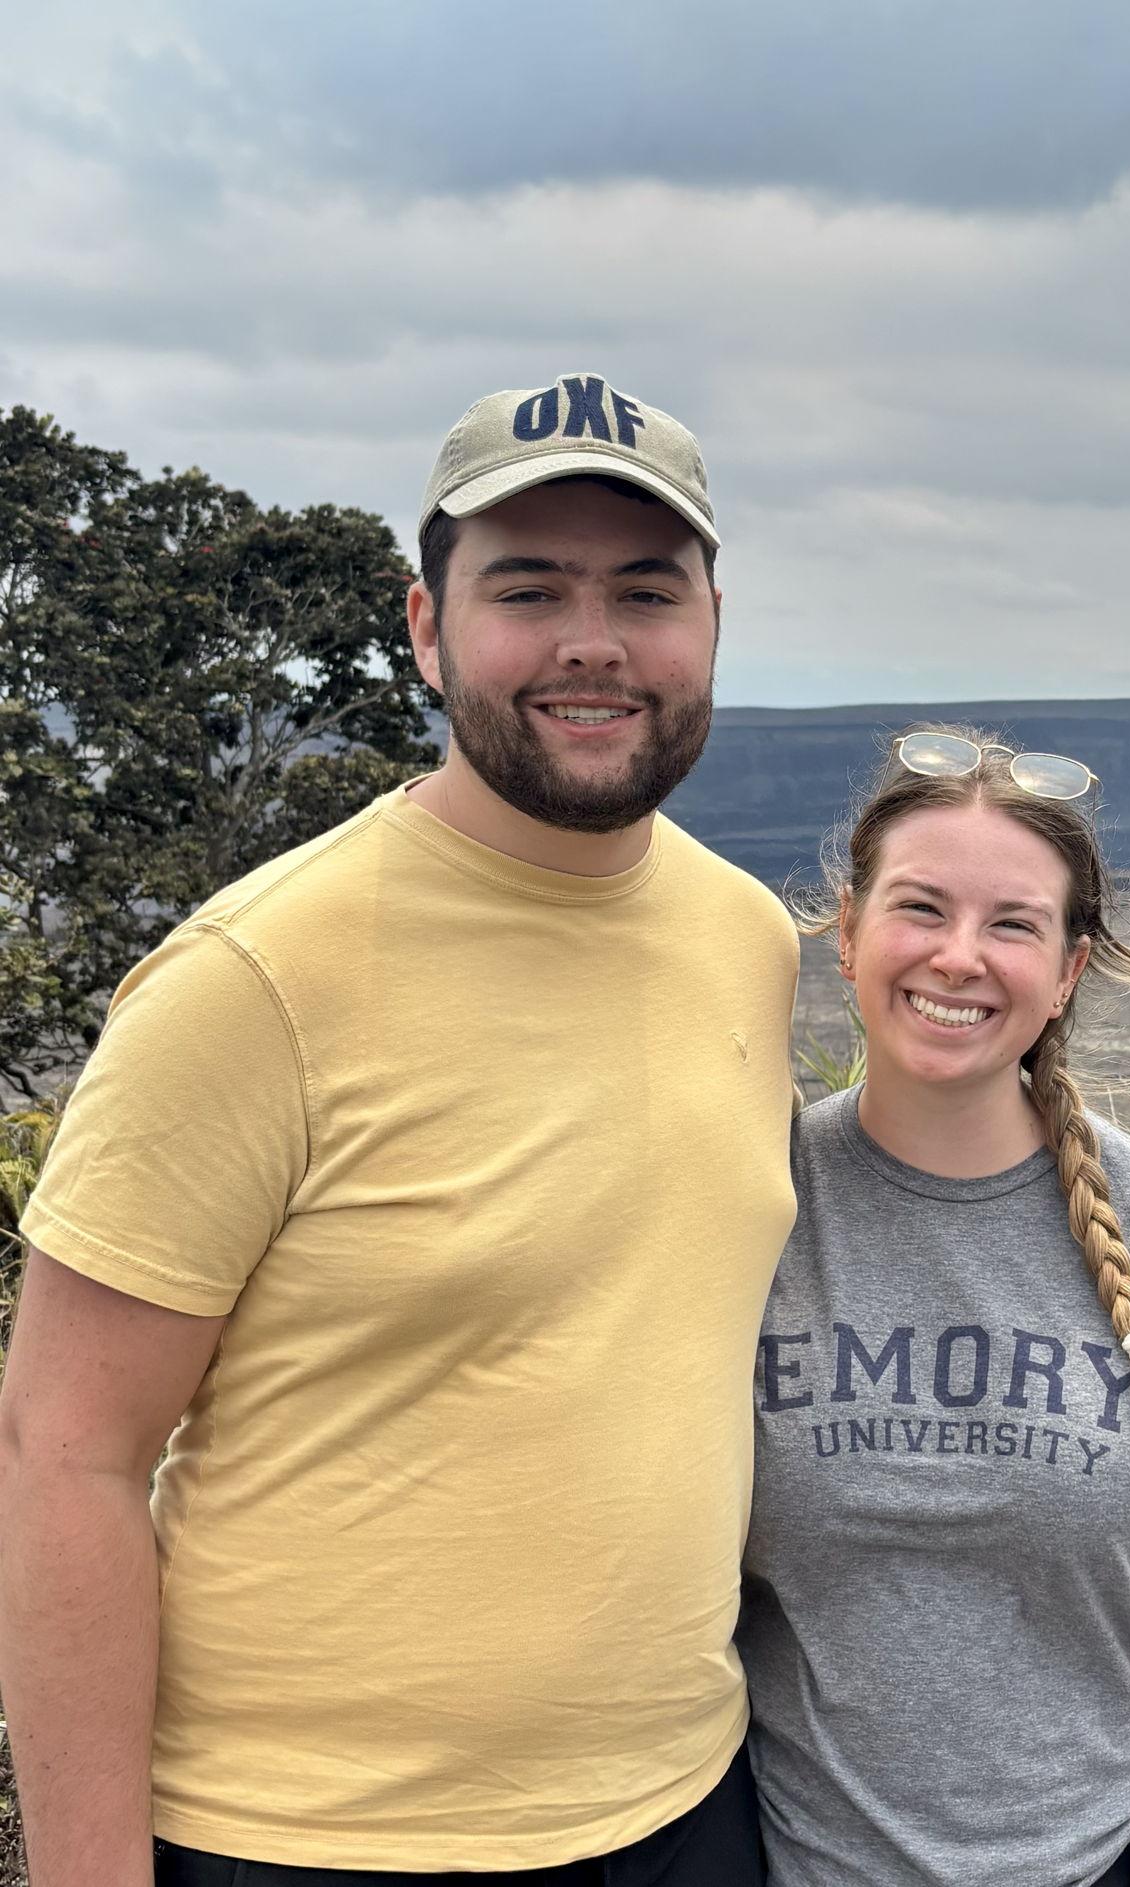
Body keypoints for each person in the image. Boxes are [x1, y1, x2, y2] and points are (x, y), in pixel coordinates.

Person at [0, 375, 797, 1885]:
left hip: (687, 1806)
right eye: (527, 588)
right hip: (310, 1838)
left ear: (711, 622)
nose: (593, 640)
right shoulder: (251, 981)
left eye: (645, 589)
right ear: (426, 628)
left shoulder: (745, 937)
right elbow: (64, 1454)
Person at [740, 726, 1130, 1887]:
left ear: (1066, 970)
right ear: (847, 930)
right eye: (919, 908)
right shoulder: (747, 1209)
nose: (957, 956)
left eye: (1012, 924)